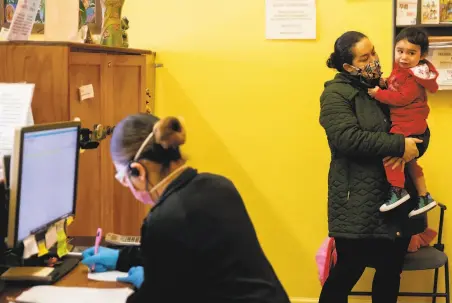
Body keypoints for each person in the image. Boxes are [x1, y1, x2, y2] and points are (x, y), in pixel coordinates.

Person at [81, 113, 290, 303]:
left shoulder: (165, 218)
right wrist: (120, 258)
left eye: (123, 179)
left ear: (138, 171)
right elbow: (178, 251)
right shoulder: (218, 186)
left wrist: (148, 285)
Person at [318, 31, 430, 303]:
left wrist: (415, 145)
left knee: (390, 273)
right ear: (348, 66)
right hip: (357, 202)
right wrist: (397, 146)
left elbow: (416, 129)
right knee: (347, 271)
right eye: (365, 57)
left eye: (374, 52)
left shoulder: (386, 87)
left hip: (396, 200)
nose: (374, 60)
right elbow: (347, 138)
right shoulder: (335, 94)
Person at [368, 27, 438, 218]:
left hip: (408, 123)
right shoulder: (402, 70)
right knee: (410, 162)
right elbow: (394, 83)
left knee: (390, 154)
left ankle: (398, 190)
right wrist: (384, 83)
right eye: (400, 51)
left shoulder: (414, 77)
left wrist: (378, 94)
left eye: (411, 53)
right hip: (409, 122)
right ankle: (424, 196)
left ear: (422, 55)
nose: (404, 57)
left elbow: (400, 98)